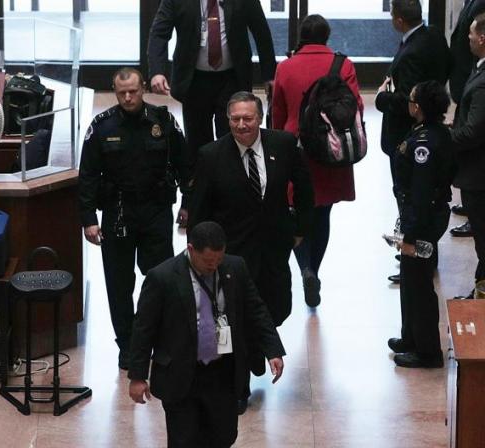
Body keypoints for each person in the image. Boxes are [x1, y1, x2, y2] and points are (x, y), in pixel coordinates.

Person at [188, 91, 312, 412]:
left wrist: (299, 229)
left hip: (274, 248)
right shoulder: (211, 155)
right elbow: (198, 210)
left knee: (276, 308)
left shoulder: (283, 145)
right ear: (227, 120)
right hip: (229, 256)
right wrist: (200, 254)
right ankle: (237, 385)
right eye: (235, 119)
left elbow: (304, 188)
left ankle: (256, 349)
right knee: (231, 321)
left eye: (248, 118)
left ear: (260, 118)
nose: (242, 125)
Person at [128, 221, 284, 448]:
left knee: (224, 436)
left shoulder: (235, 268)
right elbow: (143, 329)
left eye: (218, 260)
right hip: (181, 373)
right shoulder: (162, 277)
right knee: (184, 440)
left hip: (222, 371)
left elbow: (256, 310)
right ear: (191, 250)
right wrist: (138, 376)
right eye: (208, 262)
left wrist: (273, 351)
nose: (214, 267)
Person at [78, 67, 192, 369]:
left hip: (156, 210)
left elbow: (184, 165)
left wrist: (188, 203)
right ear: (115, 92)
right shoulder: (101, 126)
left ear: (143, 88)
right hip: (117, 212)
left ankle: (157, 339)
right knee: (119, 284)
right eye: (121, 93)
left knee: (160, 280)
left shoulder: (164, 121)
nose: (128, 97)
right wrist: (89, 218)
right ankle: (127, 346)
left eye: (133, 91)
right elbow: (87, 175)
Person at [271, 14, 363, 308]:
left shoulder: (285, 67)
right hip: (330, 148)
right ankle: (316, 269)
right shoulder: (343, 64)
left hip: (295, 147)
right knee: (323, 214)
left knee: (297, 211)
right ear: (326, 35)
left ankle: (305, 269)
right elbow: (356, 106)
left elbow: (278, 112)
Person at [375, 0, 450, 282]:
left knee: (408, 197)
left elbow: (404, 100)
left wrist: (381, 97)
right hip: (429, 129)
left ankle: (416, 257)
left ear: (398, 20)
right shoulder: (434, 37)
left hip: (407, 136)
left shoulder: (411, 53)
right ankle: (418, 251)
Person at [147, 0, 276, 159]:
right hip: (194, 79)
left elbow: (261, 31)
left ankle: (231, 178)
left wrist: (269, 75)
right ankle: (200, 180)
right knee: (197, 140)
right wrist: (157, 71)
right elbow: (159, 33)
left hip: (232, 77)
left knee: (232, 136)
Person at [387, 81, 453, 369]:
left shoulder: (424, 143)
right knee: (410, 278)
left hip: (422, 221)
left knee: (419, 283)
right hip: (418, 217)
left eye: (412, 100)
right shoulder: (432, 132)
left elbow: (421, 192)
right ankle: (410, 337)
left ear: (419, 107)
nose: (409, 103)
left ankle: (427, 351)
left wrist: (411, 234)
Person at [450, 12, 485, 299]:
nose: (468, 38)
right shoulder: (479, 68)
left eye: (471, 33)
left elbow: (474, 131)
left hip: (479, 175)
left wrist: (445, 137)